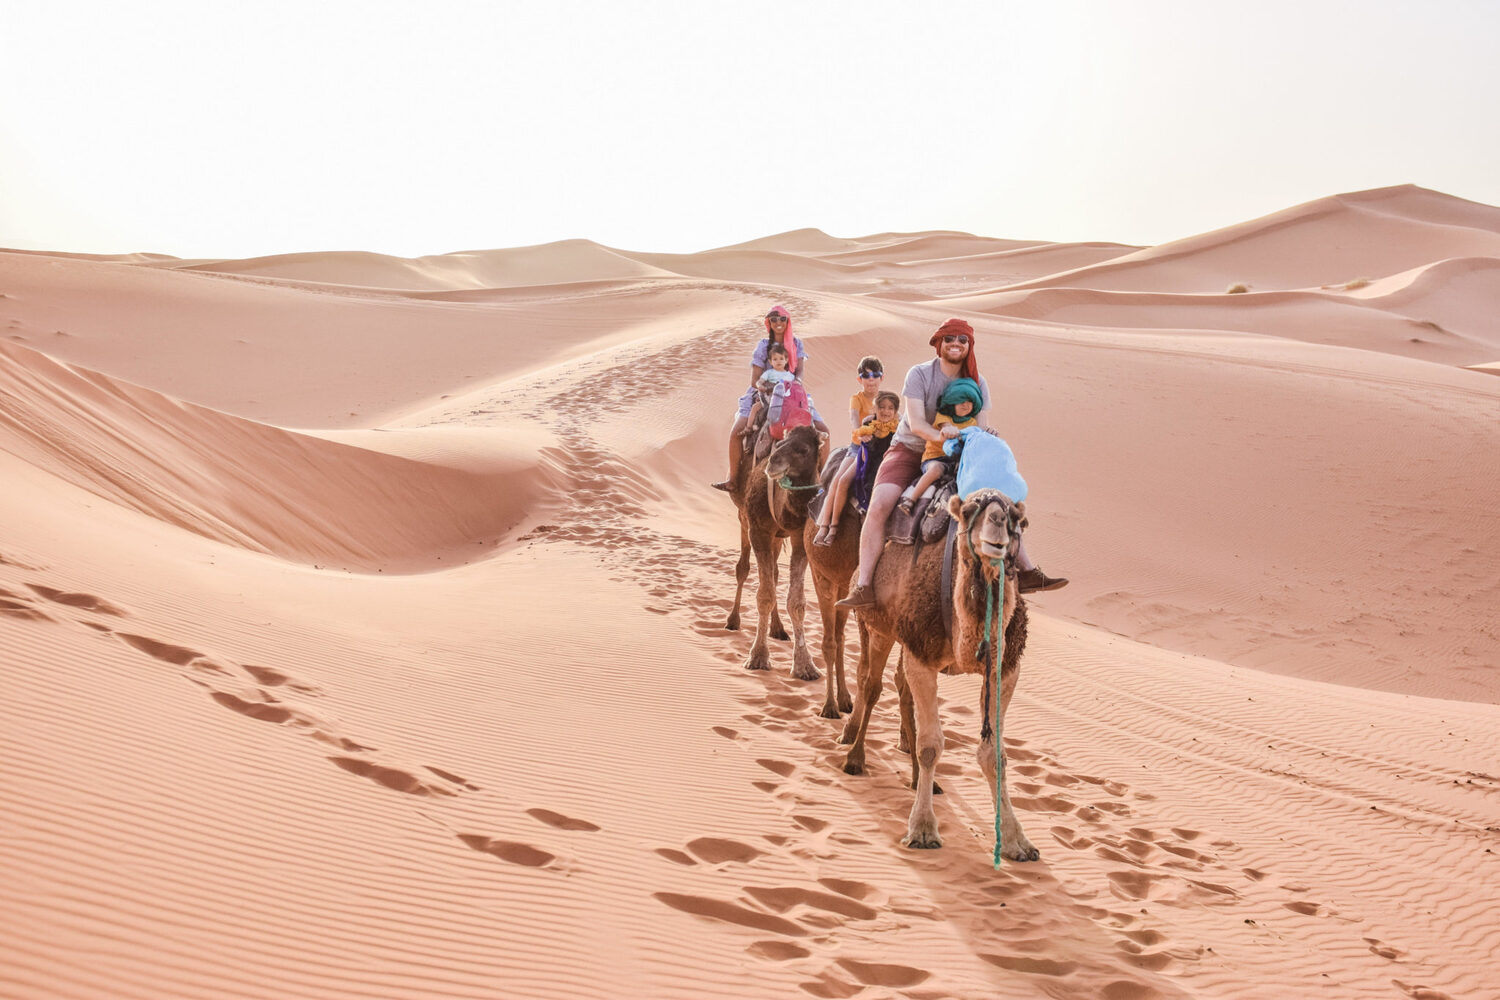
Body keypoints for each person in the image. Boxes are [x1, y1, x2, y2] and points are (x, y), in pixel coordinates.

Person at [837, 318, 1067, 607]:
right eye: (949, 339)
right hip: (911, 448)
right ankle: (864, 585)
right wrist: (943, 438)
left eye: (962, 339)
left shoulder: (977, 382)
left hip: (962, 453)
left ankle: (1028, 570)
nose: (955, 344)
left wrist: (979, 439)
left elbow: (981, 425)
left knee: (1000, 499)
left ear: (969, 346)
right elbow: (918, 424)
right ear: (938, 343)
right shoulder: (920, 374)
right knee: (880, 504)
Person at [712, 305, 814, 491]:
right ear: (768, 323)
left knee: (821, 431)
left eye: (782, 319)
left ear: (787, 321)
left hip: (792, 393)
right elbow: (754, 380)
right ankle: (733, 480)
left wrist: (791, 385)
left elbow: (799, 373)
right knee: (736, 432)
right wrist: (769, 388)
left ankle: (820, 480)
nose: (778, 323)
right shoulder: (762, 346)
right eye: (773, 319)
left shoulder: (797, 344)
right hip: (763, 394)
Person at [811, 356, 884, 544]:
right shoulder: (856, 399)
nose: (871, 380)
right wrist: (861, 432)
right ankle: (828, 526)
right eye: (866, 376)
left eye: (875, 375)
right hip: (858, 448)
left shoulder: (885, 400)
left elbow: (895, 418)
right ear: (859, 380)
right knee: (840, 481)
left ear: (881, 378)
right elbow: (854, 419)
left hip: (878, 450)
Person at [815, 388, 900, 546]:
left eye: (890, 408)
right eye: (882, 407)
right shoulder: (868, 422)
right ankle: (830, 526)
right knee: (843, 480)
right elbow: (862, 441)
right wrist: (863, 436)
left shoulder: (899, 426)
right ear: (875, 408)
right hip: (866, 459)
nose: (886, 411)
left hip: (886, 463)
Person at [896, 376, 981, 514]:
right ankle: (911, 499)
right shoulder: (944, 416)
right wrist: (948, 429)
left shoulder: (971, 422)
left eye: (970, 401)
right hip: (936, 458)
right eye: (961, 401)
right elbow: (945, 426)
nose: (966, 405)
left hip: (957, 462)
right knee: (936, 470)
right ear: (952, 402)